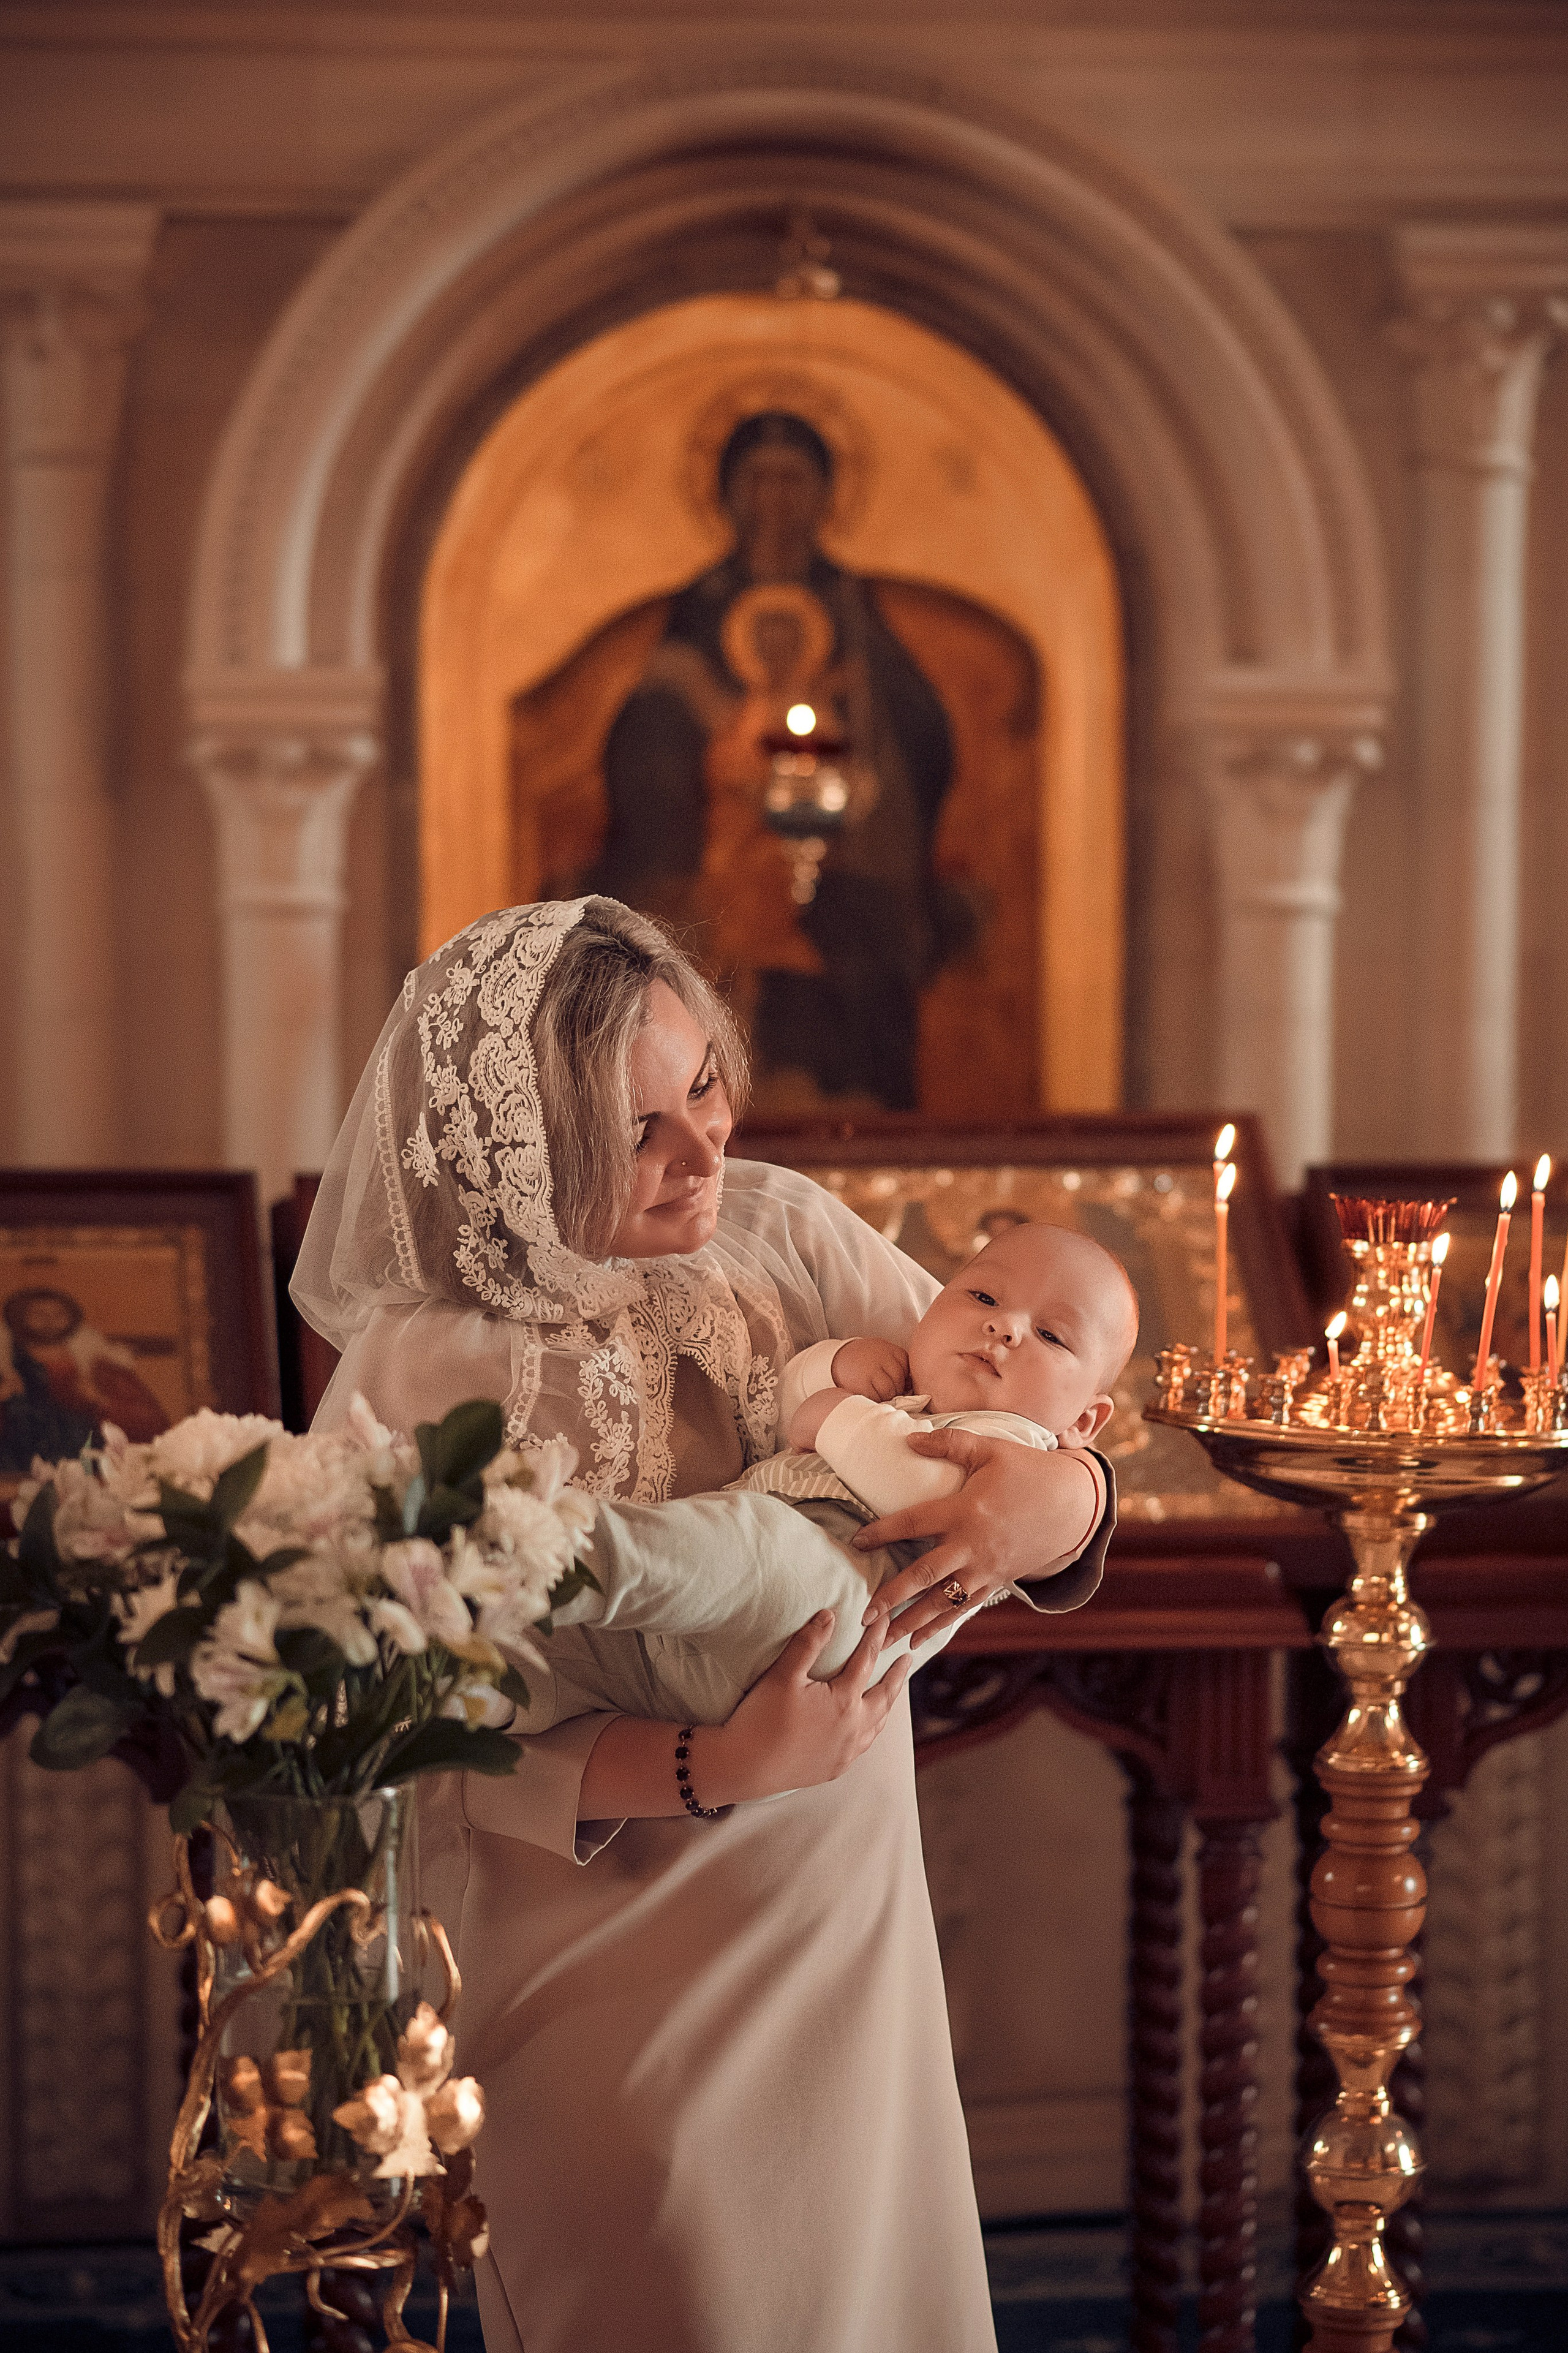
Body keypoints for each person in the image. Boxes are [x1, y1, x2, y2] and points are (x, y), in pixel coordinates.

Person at [291, 896, 1115, 2353]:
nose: (703, 1147)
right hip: (593, 1933)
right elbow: (403, 1742)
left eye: (706, 1084)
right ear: (523, 1148)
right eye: (639, 1130)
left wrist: (1064, 1499)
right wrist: (711, 1763)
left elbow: (1017, 1391)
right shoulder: (417, 1366)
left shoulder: (783, 1228)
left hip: (833, 1909)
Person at [506, 1219, 1139, 1735]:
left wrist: (837, 1410)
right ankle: (501, 1693)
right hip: (713, 1637)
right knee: (593, 1661)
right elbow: (788, 1417)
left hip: (831, 1618)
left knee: (746, 1545)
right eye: (983, 1298)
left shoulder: (1017, 1446)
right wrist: (832, 1364)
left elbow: (911, 1483)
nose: (1005, 1326)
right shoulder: (906, 1393)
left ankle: (565, 1549)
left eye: (1051, 1335)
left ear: (1084, 1420)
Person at [592, 410, 968, 1108]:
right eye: (760, 481)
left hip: (845, 852)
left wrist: (858, 736)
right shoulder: (701, 607)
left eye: (793, 481)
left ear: (823, 495)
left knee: (859, 957)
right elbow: (646, 743)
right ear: (731, 495)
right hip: (722, 848)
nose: (776, 500)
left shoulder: (849, 606)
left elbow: (916, 731)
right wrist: (699, 727)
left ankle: (853, 1108)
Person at [0, 1286, 168, 1473]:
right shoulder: (7, 1360)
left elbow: (147, 1417)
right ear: (21, 1316)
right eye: (39, 1314)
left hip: (82, 1445)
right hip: (20, 1447)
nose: (50, 1321)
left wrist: (99, 1400)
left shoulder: (98, 1362)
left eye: (59, 1315)